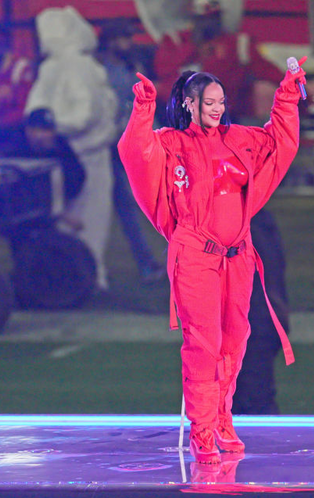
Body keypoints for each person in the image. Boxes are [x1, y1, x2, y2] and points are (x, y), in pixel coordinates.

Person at [117, 57, 306, 463]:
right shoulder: (172, 143)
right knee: (204, 344)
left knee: (235, 341)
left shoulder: (239, 139)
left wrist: (288, 95)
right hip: (195, 255)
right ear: (189, 103)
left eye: (221, 102)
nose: (218, 109)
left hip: (237, 256)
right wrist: (143, 109)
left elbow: (279, 143)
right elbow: (136, 152)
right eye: (209, 102)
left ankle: (222, 417)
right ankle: (202, 429)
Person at [25, 6, 119, 291]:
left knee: (87, 218)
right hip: (68, 155)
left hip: (84, 154)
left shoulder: (75, 68)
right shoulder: (62, 67)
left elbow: (85, 114)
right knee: (74, 217)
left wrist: (53, 127)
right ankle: (71, 275)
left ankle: (84, 275)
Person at [97, 18, 165, 283]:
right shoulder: (99, 70)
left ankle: (172, 258)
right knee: (126, 205)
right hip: (112, 145)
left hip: (139, 142)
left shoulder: (132, 66)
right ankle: (146, 263)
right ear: (111, 41)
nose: (129, 43)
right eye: (124, 38)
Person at [153, 0, 283, 124]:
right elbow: (166, 78)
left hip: (227, 115)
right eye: (201, 19)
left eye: (212, 18)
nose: (206, 24)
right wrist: (194, 51)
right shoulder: (176, 42)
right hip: (182, 116)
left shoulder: (237, 44)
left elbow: (269, 72)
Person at [233, 209, 288, 415]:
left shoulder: (248, 221)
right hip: (250, 324)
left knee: (253, 400)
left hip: (252, 326)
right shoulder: (253, 220)